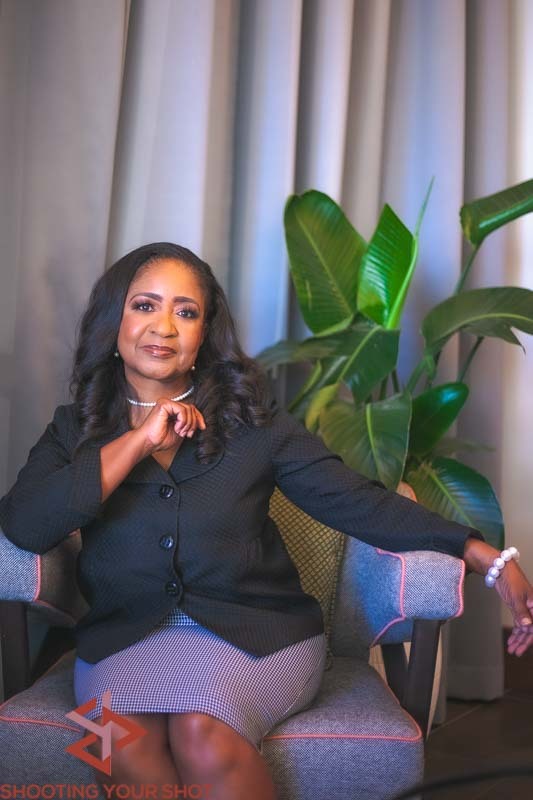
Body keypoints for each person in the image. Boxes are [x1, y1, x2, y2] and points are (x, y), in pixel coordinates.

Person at [0, 241, 531, 800]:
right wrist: (137, 441)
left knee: (202, 732)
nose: (164, 327)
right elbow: (25, 526)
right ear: (115, 320)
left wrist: (478, 550)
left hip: (259, 636)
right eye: (145, 305)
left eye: (186, 312)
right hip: (116, 642)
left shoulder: (254, 425)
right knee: (112, 745)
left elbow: (355, 499)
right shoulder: (72, 429)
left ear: (204, 335)